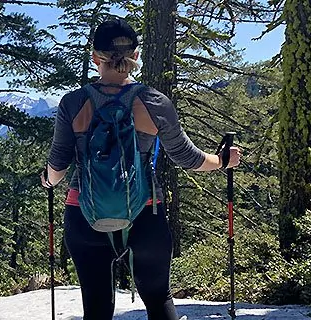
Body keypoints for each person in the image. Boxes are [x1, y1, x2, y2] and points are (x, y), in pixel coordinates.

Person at [40, 18, 241, 320]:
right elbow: (189, 159)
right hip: (147, 213)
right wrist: (224, 160)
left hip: (83, 214)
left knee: (96, 308)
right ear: (135, 56)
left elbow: (57, 168)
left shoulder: (73, 103)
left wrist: (47, 180)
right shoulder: (153, 102)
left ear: (95, 57)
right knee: (159, 299)